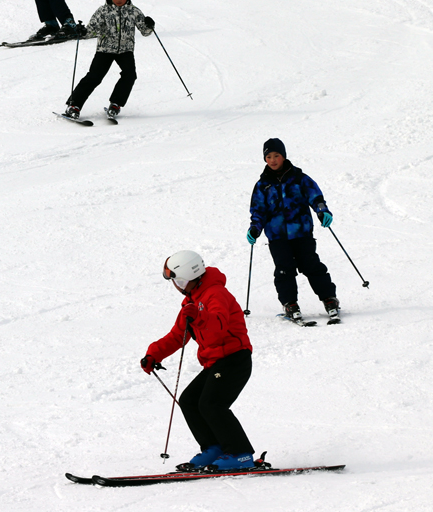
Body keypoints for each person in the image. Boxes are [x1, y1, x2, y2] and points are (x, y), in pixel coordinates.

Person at [140, 250, 256, 471]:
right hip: (215, 362)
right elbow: (177, 335)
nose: (175, 285)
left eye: (176, 280)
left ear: (184, 278)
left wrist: (199, 316)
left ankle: (241, 454)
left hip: (234, 359)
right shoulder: (191, 301)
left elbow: (219, 327)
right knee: (190, 401)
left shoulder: (216, 294)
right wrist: (154, 353)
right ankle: (215, 448)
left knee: (212, 404)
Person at [247, 138, 340, 322]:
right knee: (284, 270)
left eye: (276, 155)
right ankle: (290, 303)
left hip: (302, 233)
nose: (273, 160)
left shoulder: (299, 178)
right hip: (277, 237)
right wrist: (255, 228)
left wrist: (322, 211)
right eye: (268, 157)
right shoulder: (262, 185)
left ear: (283, 156)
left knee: (311, 265)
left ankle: (329, 298)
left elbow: (315, 196)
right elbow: (258, 211)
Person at [63, 0, 154, 120]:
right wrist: (83, 31)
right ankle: (74, 105)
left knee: (130, 75)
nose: (119, 0)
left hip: (125, 50)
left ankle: (116, 104)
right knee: (94, 77)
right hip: (105, 50)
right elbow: (91, 31)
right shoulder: (103, 11)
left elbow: (145, 31)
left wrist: (150, 25)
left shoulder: (134, 11)